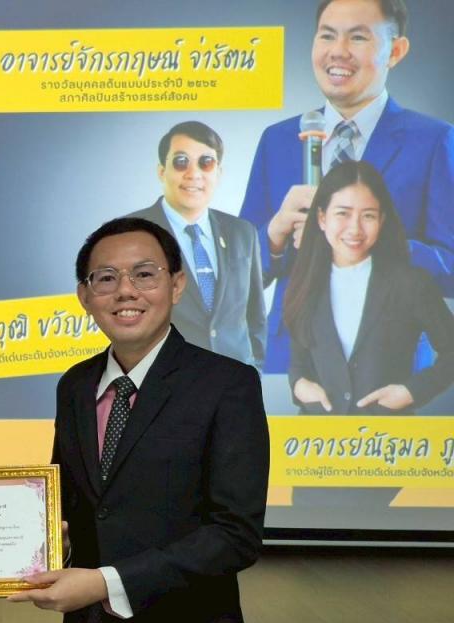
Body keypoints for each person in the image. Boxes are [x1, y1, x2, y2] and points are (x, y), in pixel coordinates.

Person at [9, 217, 269, 623]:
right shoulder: (75, 386)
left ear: (177, 285)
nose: (125, 291)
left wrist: (105, 582)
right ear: (85, 295)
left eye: (145, 274)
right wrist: (38, 539)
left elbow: (235, 535)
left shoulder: (227, 384)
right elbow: (69, 504)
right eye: (106, 278)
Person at [240, 0, 454, 373]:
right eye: (327, 36)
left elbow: (450, 268)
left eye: (357, 37)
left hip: (391, 367)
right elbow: (237, 279)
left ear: (396, 51)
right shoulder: (278, 140)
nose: (337, 51)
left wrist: (374, 241)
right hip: (291, 363)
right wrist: (274, 236)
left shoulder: (434, 140)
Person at [284, 160, 454, 415]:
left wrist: (411, 391)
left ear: (382, 220)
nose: (355, 228)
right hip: (318, 434)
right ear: (321, 218)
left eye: (368, 216)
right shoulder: (305, 282)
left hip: (387, 435)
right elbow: (299, 364)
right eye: (343, 213)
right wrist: (299, 385)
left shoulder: (412, 283)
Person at [130, 120, 266, 369]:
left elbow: (255, 316)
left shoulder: (242, 232)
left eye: (206, 162)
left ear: (218, 173)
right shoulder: (129, 234)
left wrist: (253, 370)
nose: (194, 174)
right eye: (181, 162)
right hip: (165, 383)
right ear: (161, 171)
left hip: (234, 383)